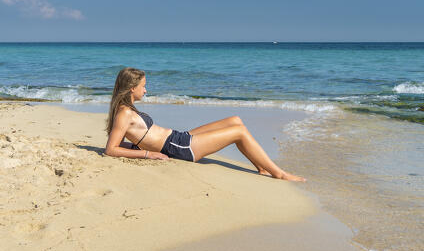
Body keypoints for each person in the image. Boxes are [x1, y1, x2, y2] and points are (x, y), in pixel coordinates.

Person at [104, 67, 306, 182]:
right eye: (143, 86)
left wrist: (140, 146)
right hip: (178, 148)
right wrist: (149, 153)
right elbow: (111, 149)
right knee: (240, 132)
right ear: (132, 88)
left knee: (235, 120)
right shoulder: (124, 114)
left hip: (178, 138)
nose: (146, 91)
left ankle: (261, 168)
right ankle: (279, 173)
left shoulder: (126, 111)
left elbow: (125, 142)